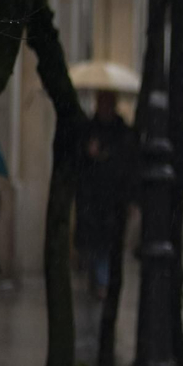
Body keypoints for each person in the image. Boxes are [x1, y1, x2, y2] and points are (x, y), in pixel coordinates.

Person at [75, 90, 136, 299]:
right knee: (95, 242)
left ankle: (104, 282)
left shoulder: (123, 132)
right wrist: (89, 154)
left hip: (114, 199)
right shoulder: (88, 130)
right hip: (93, 198)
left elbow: (128, 166)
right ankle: (99, 280)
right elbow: (80, 166)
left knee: (108, 243)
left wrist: (130, 199)